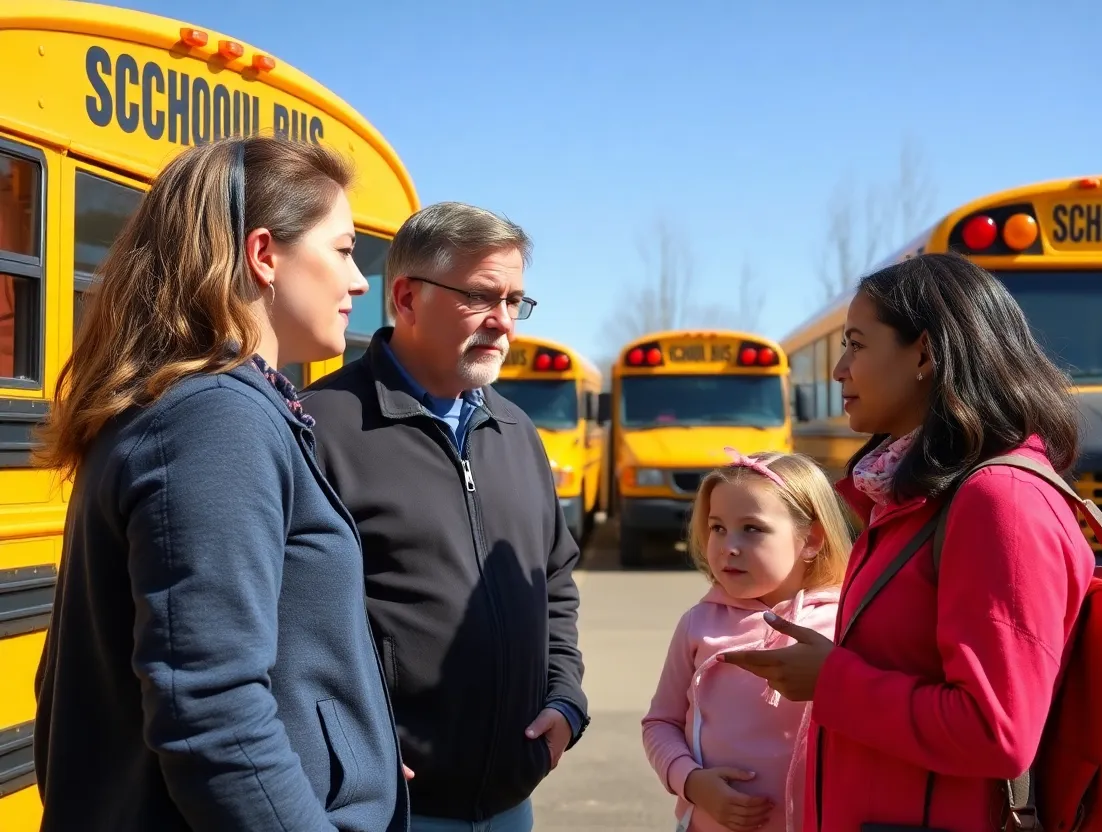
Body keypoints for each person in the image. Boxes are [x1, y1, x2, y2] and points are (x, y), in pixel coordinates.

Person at [31, 136, 408, 831]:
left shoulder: (203, 408)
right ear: (265, 256)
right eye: (345, 250)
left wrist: (355, 755)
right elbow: (214, 717)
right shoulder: (213, 422)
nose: (361, 283)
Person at [724, 252, 1096, 831]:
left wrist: (831, 681)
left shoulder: (1000, 502)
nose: (839, 369)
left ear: (924, 352)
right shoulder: (912, 498)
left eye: (857, 344)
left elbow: (997, 731)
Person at [300, 201, 588, 831]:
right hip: (387, 810)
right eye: (482, 297)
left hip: (511, 802)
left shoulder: (517, 432)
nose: (504, 323)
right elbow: (284, 625)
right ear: (405, 297)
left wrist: (566, 698)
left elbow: (554, 581)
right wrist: (350, 740)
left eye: (516, 301)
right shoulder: (319, 428)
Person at [642, 449, 851, 832]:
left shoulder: (847, 624)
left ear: (812, 539)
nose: (728, 546)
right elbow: (660, 723)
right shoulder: (698, 623)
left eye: (751, 528)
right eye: (718, 527)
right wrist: (691, 783)